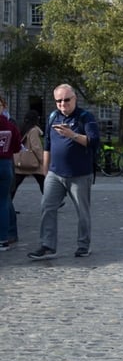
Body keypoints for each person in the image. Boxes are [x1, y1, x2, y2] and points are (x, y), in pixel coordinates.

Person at [28, 84, 100, 260]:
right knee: (47, 207)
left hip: (79, 174)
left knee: (82, 211)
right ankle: (47, 245)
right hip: (55, 173)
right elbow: (48, 145)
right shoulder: (53, 116)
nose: (62, 104)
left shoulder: (85, 117)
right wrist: (45, 172)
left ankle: (84, 246)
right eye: (58, 100)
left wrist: (72, 135)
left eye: (66, 100)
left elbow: (94, 141)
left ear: (74, 98)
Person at [0, 110, 22, 251]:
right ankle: (3, 239)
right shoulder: (9, 124)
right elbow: (17, 147)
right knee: (3, 201)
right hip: (5, 164)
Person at [13, 110, 46, 196]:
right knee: (43, 182)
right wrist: (42, 160)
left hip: (22, 161)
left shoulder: (22, 129)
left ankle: (8, 205)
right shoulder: (34, 130)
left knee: (14, 185)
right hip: (33, 161)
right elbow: (36, 147)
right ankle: (51, 202)